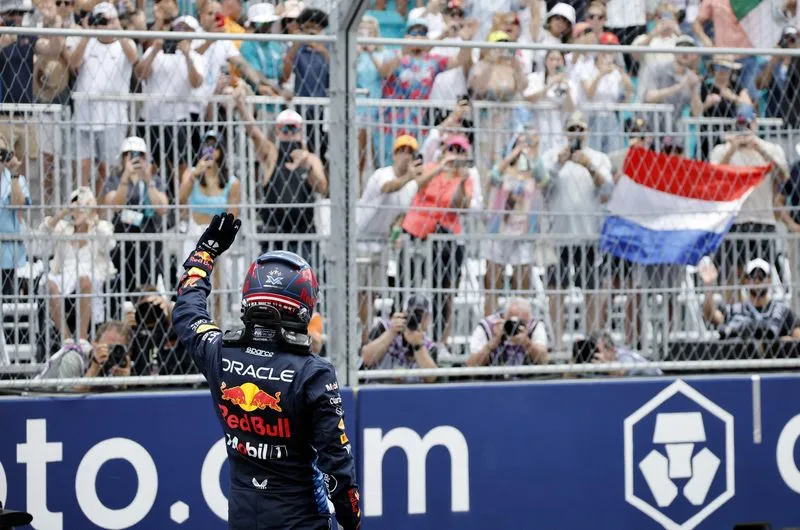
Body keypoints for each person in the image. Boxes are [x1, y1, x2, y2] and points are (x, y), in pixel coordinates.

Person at [172, 213, 361, 530]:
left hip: (244, 519)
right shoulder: (314, 374)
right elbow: (337, 468)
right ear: (304, 305)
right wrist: (351, 521)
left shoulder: (218, 351)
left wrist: (205, 252)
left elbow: (187, 308)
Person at [41, 187, 116, 342]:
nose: (77, 212)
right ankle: (67, 339)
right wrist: (64, 212)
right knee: (48, 284)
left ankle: (82, 339)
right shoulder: (64, 228)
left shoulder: (99, 227)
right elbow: (44, 232)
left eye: (81, 208)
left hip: (91, 272)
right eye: (74, 208)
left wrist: (92, 215)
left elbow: (109, 244)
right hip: (65, 273)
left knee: (84, 281)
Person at [101, 136, 168, 297]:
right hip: (123, 237)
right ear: (123, 158)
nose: (136, 159)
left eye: (140, 155)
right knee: (122, 282)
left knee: (148, 283)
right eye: (130, 154)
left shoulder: (154, 180)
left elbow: (162, 208)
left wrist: (148, 181)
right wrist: (125, 177)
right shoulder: (115, 179)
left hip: (149, 236)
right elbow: (115, 205)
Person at [700, 258, 800, 340]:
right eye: (753, 276)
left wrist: (784, 342)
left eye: (762, 276)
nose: (757, 281)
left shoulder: (781, 311)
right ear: (746, 280)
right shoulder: (734, 310)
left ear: (769, 280)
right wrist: (708, 286)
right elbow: (710, 316)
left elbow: (797, 336)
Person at [359, 294, 439, 383]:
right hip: (379, 387)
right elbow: (366, 359)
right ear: (403, 313)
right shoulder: (384, 328)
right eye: (412, 313)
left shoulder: (428, 345)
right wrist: (392, 332)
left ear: (427, 319)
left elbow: (432, 378)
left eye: (420, 315)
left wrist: (418, 346)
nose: (415, 319)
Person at [38, 320, 133, 391]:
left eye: (116, 348)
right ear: (94, 343)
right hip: (39, 400)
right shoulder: (74, 357)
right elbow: (67, 398)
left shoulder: (118, 364)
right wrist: (95, 366)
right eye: (107, 346)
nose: (110, 351)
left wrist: (123, 383)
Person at [466, 297, 549, 367]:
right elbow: (471, 364)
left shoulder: (534, 326)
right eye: (513, 322)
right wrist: (493, 342)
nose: (516, 327)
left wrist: (527, 343)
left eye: (522, 323)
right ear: (504, 317)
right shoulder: (488, 326)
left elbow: (544, 360)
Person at [0, 136, 30, 296]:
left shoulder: (16, 180)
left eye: (2, 152)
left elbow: (19, 204)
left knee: (6, 302)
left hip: (6, 253)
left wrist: (14, 173)